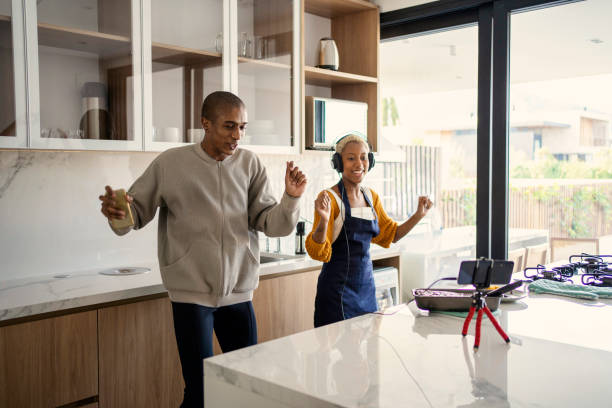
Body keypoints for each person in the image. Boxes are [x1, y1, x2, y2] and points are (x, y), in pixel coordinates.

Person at [98, 91, 307, 407]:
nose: (237, 136)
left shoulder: (250, 164)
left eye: (242, 127)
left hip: (239, 294)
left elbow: (271, 223)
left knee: (246, 388)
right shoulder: (170, 163)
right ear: (205, 124)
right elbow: (135, 213)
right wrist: (118, 213)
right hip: (191, 297)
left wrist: (291, 198)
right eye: (229, 126)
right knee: (201, 392)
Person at [306, 134, 432, 327]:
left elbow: (391, 234)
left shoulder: (371, 197)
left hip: (366, 290)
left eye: (364, 157)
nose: (359, 163)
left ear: (370, 161)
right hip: (336, 294)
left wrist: (418, 215)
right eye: (351, 158)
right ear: (339, 163)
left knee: (367, 352)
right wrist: (323, 220)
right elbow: (318, 252)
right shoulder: (329, 198)